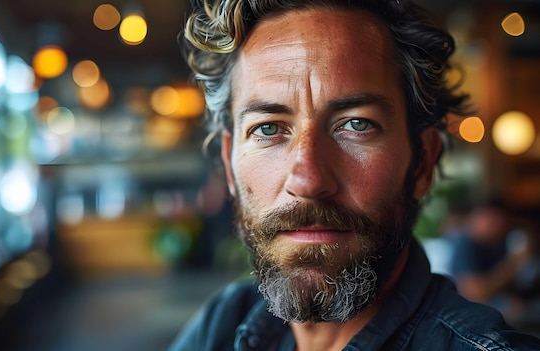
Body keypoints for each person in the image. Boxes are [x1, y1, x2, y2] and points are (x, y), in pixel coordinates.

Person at [170, 0, 540, 350]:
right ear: (229, 165)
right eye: (267, 129)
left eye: (357, 124)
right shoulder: (223, 322)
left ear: (423, 163)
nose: (308, 180)